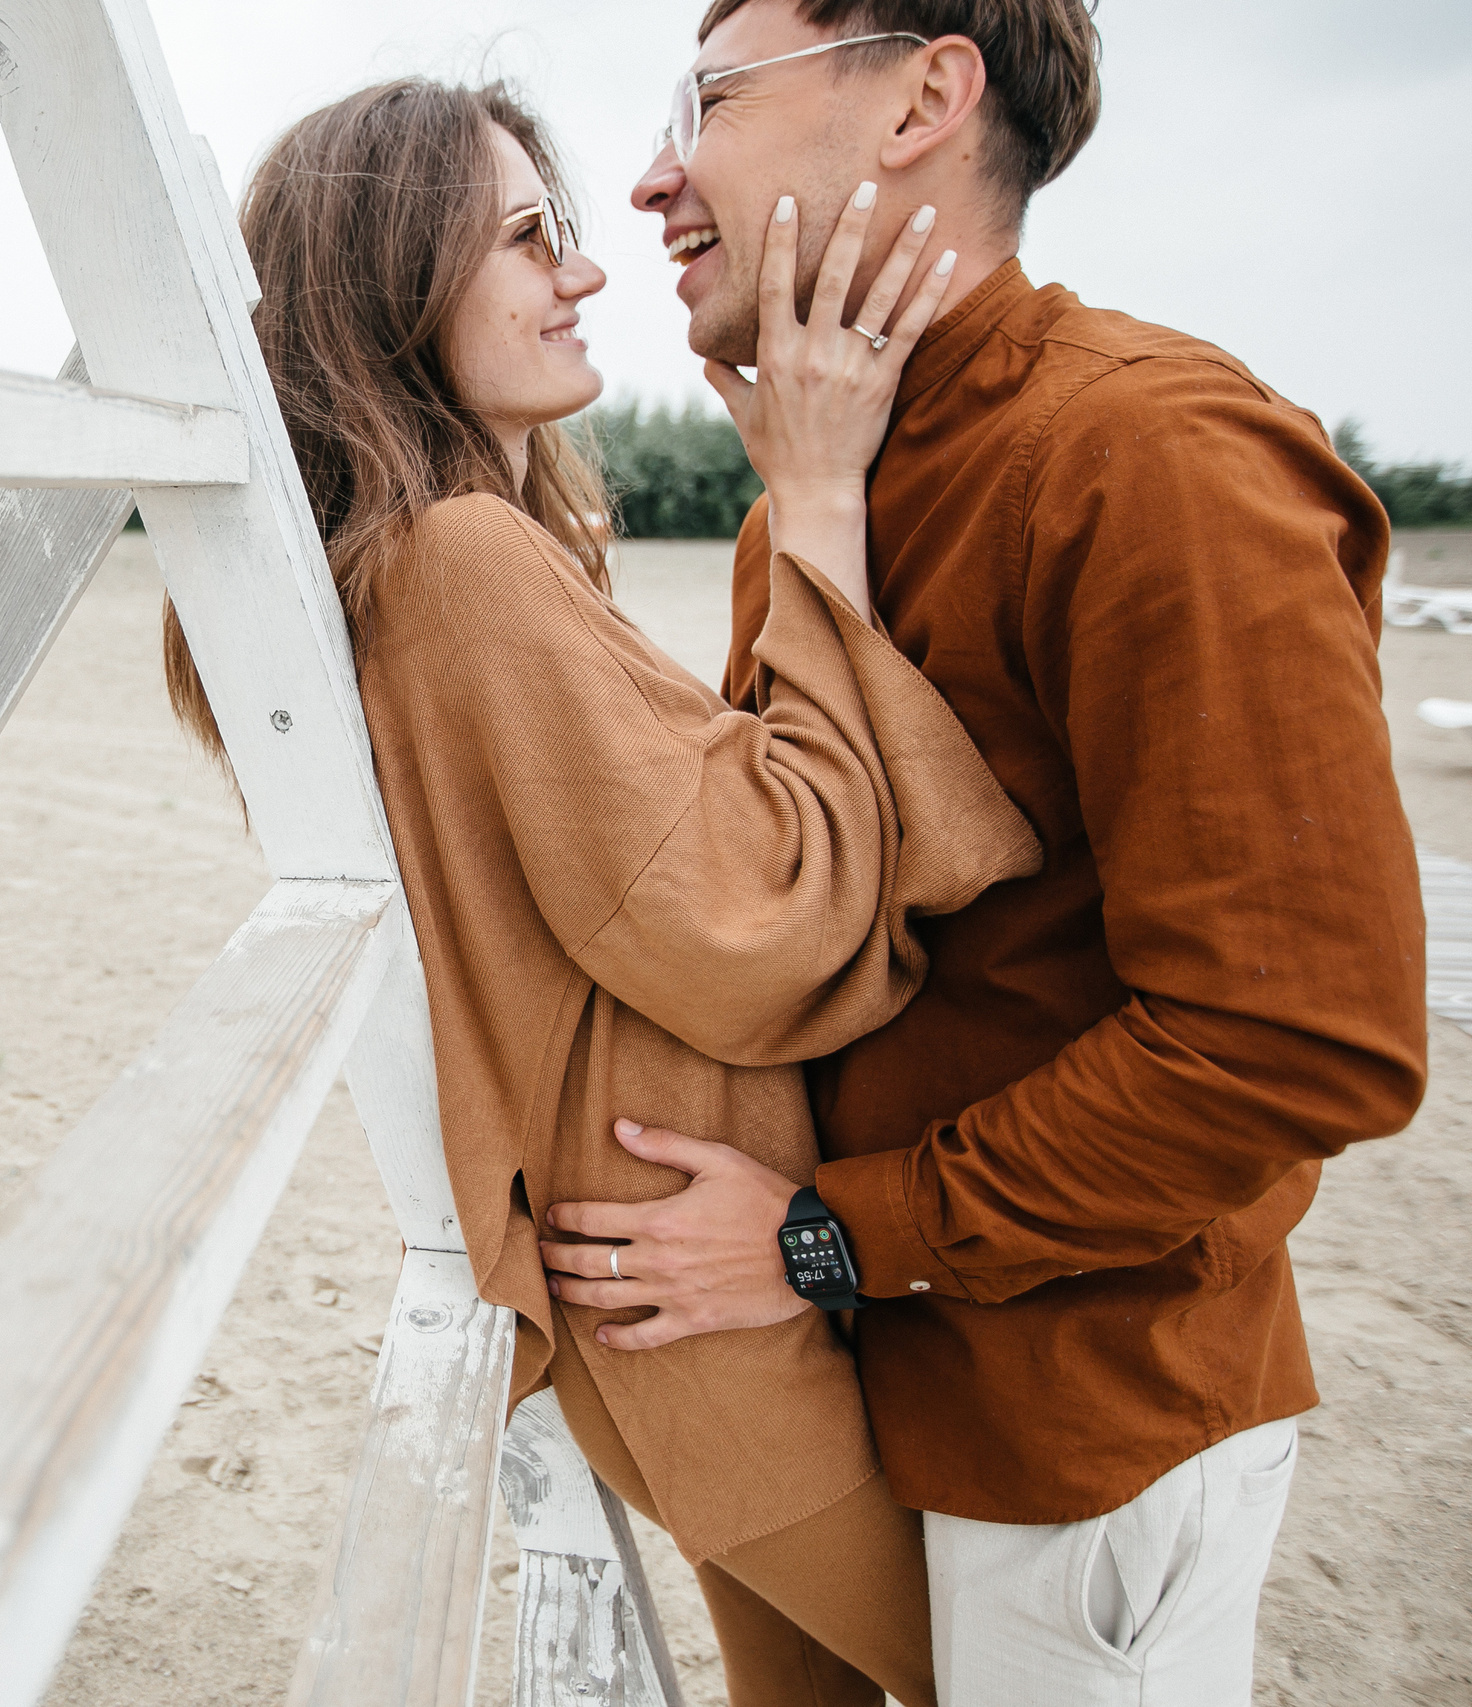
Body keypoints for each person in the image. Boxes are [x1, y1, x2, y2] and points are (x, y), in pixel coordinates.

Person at [555, 3, 1427, 1702]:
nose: (655, 174)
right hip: (857, 1388)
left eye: (712, 99)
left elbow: (1297, 1033)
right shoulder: (800, 501)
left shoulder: (1152, 456)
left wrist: (828, 1236)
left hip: (1072, 1437)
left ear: (926, 96)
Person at [163, 78, 1042, 1706]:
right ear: (391, 278)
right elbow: (764, 913)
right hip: (692, 1271)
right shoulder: (462, 565)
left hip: (652, 1265)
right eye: (521, 240)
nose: (580, 276)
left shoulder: (421, 559)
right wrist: (825, 497)